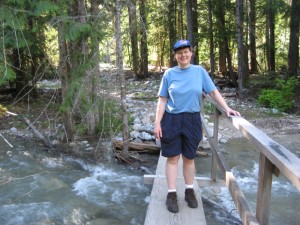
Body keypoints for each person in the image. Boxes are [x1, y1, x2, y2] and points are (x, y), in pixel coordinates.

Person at [153, 39, 240, 213]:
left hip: (192, 119)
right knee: (172, 158)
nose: (183, 55)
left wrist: (227, 108)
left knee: (189, 157)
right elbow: (162, 100)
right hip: (171, 119)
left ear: (191, 53)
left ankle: (189, 190)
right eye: (179, 52)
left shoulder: (199, 72)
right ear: (175, 55)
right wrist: (157, 123)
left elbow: (213, 91)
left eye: (186, 51)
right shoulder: (169, 74)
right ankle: (171, 194)